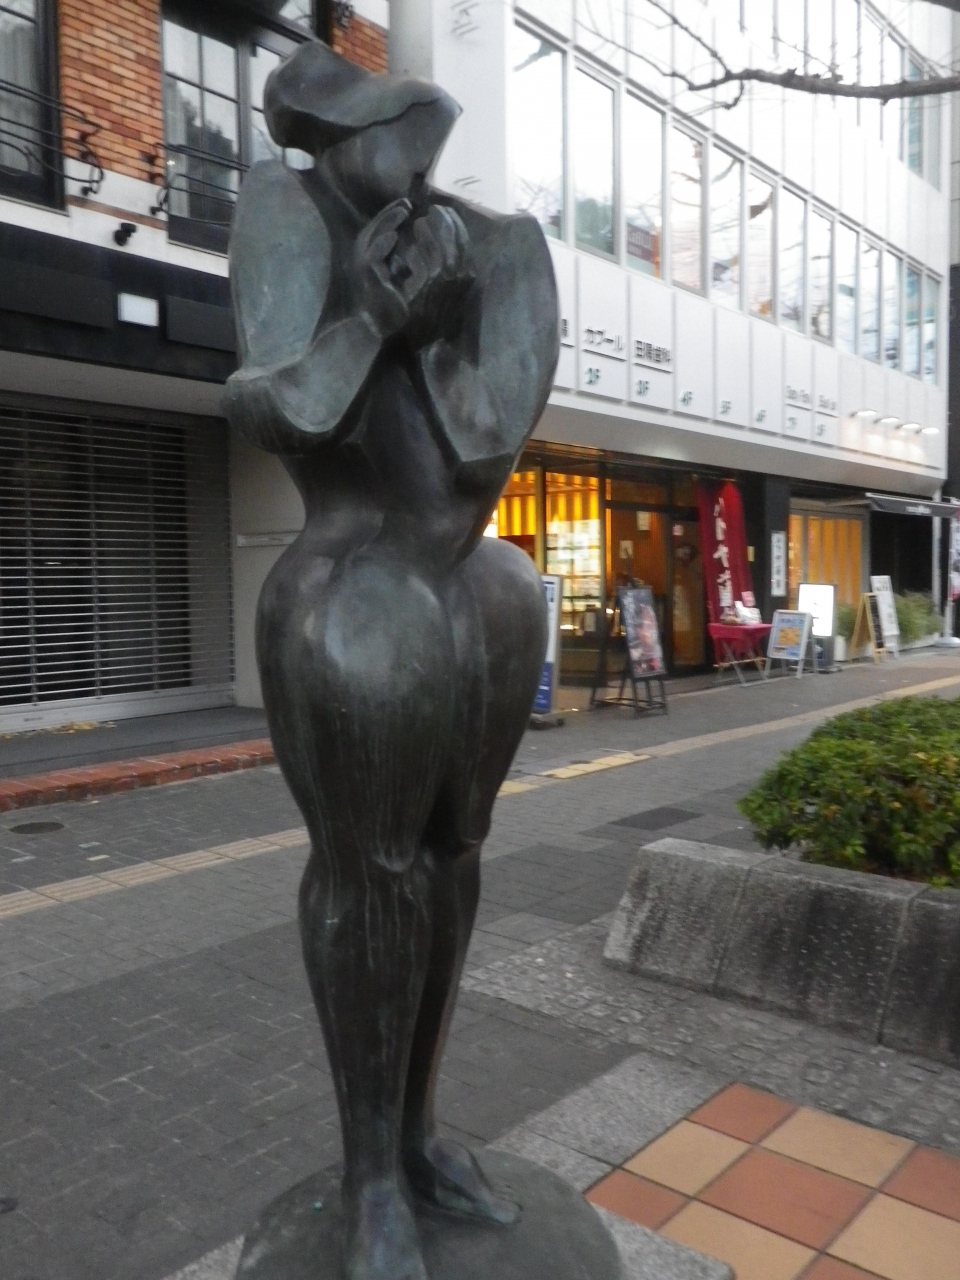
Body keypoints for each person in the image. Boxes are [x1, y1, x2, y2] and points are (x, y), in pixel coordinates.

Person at [223, 41, 558, 1280]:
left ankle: (415, 1135)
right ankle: (371, 1171)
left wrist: (428, 327)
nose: (338, 156)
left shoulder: (504, 247)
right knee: (369, 872)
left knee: (451, 855)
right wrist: (368, 317)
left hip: (479, 586)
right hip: (345, 585)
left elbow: (485, 447)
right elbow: (276, 407)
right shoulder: (283, 209)